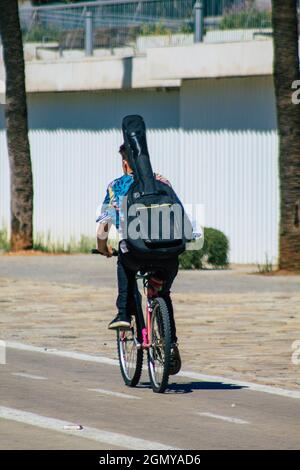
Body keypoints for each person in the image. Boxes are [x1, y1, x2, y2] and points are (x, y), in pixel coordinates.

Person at [96, 144, 181, 374]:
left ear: (125, 163)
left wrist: (103, 248)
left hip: (135, 254)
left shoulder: (117, 186)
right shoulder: (163, 181)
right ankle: (170, 344)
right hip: (168, 254)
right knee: (162, 293)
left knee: (124, 262)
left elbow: (102, 228)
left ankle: (124, 313)